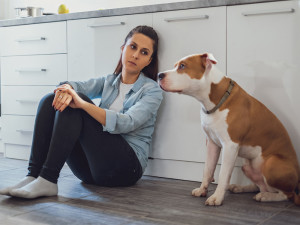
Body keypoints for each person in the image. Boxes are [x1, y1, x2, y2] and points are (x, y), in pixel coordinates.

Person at [0, 25, 163, 199]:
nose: (136, 55)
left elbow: (127, 122)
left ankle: (48, 179)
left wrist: (83, 104)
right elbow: (77, 86)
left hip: (125, 169)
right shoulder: (109, 81)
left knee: (78, 103)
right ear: (123, 49)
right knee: (51, 99)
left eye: (144, 53)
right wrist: (66, 89)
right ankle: (33, 175)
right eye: (133, 47)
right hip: (90, 171)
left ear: (149, 61)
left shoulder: (152, 90)